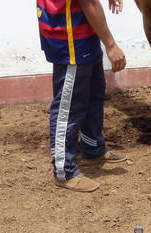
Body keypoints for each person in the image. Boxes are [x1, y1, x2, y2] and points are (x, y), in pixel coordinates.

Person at [37, 0, 127, 192]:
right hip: (70, 39)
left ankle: (93, 148)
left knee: (93, 94)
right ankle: (64, 172)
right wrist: (111, 45)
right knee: (67, 107)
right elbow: (90, 2)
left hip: (82, 31)